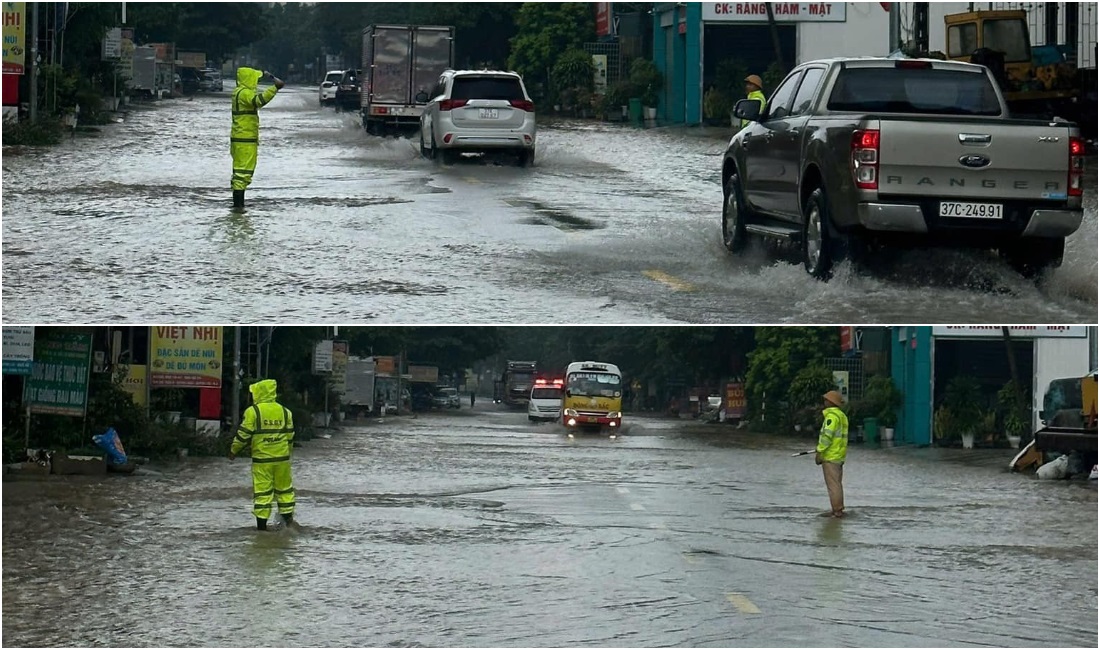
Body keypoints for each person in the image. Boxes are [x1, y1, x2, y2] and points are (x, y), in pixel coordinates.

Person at [230, 379, 296, 530]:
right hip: (282, 460)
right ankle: (289, 524)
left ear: (259, 392)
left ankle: (261, 530)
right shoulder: (286, 412)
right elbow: (290, 437)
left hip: (262, 460)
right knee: (285, 490)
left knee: (263, 492)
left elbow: (243, 434)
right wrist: (287, 453)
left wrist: (234, 450)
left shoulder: (253, 412)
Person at [231, 68, 284, 210]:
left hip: (243, 139)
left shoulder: (239, 92)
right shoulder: (244, 93)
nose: (256, 81)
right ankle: (238, 207)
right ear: (248, 79)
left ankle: (238, 206)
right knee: (242, 173)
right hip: (244, 140)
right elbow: (258, 101)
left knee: (241, 173)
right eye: (255, 79)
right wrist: (275, 88)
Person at [815, 390, 849, 518]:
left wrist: (819, 451)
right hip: (839, 456)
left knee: (833, 486)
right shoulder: (842, 417)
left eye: (826, 400)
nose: (824, 402)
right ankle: (838, 509)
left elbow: (826, 437)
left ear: (830, 402)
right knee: (837, 484)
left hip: (830, 456)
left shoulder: (831, 417)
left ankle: (837, 511)